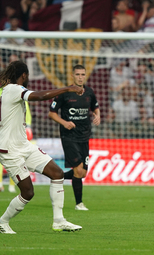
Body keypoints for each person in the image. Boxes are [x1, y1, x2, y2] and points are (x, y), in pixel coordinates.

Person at [0, 61, 83, 234]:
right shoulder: (13, 89)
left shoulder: (9, 91)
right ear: (24, 75)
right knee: (28, 192)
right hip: (10, 150)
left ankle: (59, 221)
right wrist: (67, 88)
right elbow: (39, 96)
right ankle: (2, 222)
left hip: (23, 145)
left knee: (57, 173)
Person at [48, 65, 100, 211]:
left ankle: (58, 177)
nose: (80, 77)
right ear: (72, 76)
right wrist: (65, 123)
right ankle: (79, 204)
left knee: (82, 173)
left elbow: (95, 107)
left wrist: (98, 115)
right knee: (78, 170)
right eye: (77, 74)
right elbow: (51, 113)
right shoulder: (64, 93)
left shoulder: (89, 92)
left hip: (84, 136)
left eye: (82, 74)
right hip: (69, 136)